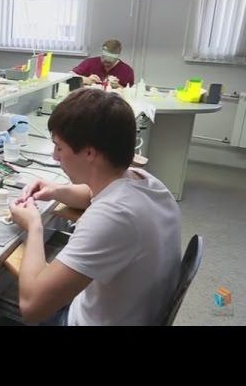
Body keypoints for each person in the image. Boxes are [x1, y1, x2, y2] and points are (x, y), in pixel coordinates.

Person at [10, 88, 181, 325]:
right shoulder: (146, 182)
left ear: (90, 152)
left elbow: (31, 307)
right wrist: (56, 191)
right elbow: (93, 193)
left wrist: (33, 226)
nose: (55, 157)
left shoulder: (113, 216)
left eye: (59, 147)